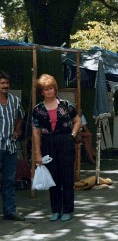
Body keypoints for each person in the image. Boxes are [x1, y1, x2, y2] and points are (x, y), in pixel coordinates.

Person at [32, 74, 81, 222]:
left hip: (65, 141)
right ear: (41, 92)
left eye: (51, 88)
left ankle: (67, 210)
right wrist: (37, 153)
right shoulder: (38, 109)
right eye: (46, 89)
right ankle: (55, 210)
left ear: (55, 89)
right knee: (52, 178)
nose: (49, 91)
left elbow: (77, 120)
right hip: (48, 143)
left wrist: (72, 135)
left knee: (67, 176)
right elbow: (36, 132)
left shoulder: (66, 105)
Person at [0, 70, 25, 221]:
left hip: (10, 145)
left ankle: (10, 211)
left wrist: (18, 129)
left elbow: (21, 116)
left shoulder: (15, 100)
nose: (5, 86)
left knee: (9, 179)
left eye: (7, 83)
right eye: (2, 83)